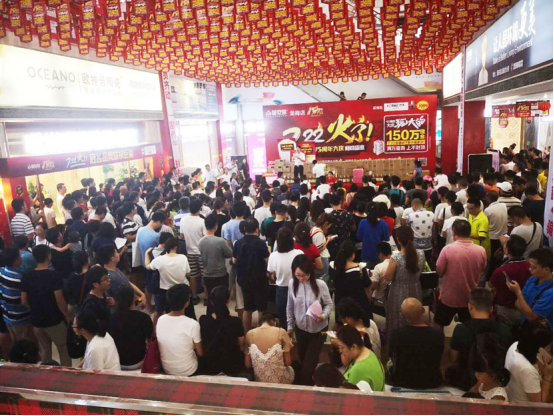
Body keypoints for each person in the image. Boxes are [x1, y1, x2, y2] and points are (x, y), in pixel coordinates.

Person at [447, 288, 512, 392]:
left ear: (469, 306)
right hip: (496, 382)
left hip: (467, 381)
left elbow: (453, 358)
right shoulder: (504, 329)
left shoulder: (461, 329)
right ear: (491, 309)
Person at [20, 245, 71, 367]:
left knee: (44, 349)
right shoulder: (54, 275)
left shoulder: (27, 275)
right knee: (63, 347)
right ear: (48, 257)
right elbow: (60, 301)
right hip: (54, 319)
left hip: (36, 320)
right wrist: (68, 317)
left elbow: (23, 301)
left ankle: (45, 372)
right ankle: (66, 373)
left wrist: (34, 309)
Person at [287, 255, 332, 386]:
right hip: (300, 328)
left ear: (310, 272)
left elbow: (329, 304)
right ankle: (313, 381)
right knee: (303, 358)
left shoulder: (320, 285)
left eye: (305, 275)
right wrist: (290, 326)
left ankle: (305, 387)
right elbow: (290, 306)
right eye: (298, 275)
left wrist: (323, 315)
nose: (302, 278)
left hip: (319, 330)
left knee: (309, 364)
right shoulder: (292, 284)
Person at [435, 220, 487, 328]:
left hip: (449, 297)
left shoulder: (447, 249)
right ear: (469, 233)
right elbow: (482, 268)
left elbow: (439, 270)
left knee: (439, 324)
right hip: (470, 297)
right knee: (469, 327)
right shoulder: (481, 250)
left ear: (454, 233)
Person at [388, 298, 444, 390]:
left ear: (402, 315)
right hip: (432, 381)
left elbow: (391, 356)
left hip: (402, 381)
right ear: (423, 310)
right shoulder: (438, 334)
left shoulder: (397, 334)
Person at [384, 226, 426, 343]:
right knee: (415, 317)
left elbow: (388, 277)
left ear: (398, 240)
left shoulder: (396, 257)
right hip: (415, 289)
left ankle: (397, 344)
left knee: (397, 318)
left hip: (398, 291)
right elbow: (420, 271)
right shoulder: (421, 254)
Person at [156, 284, 203, 377]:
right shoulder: (192, 324)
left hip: (167, 369)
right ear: (187, 303)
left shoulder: (160, 319)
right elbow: (200, 353)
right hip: (189, 370)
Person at [234, 218, 270, 332]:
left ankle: (247, 333)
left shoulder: (238, 243)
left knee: (247, 308)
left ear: (244, 229)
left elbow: (234, 261)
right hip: (259, 279)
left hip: (244, 279)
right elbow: (267, 262)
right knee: (261, 309)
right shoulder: (261, 243)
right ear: (257, 229)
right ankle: (261, 333)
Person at [200, 286, 245, 376]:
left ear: (211, 302)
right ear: (228, 301)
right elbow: (241, 344)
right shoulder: (236, 321)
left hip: (210, 366)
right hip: (232, 366)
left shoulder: (203, 320)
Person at [505, 323, 553, 403]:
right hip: (523, 406)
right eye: (548, 348)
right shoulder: (528, 370)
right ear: (539, 349)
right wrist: (548, 376)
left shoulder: (515, 345)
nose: (549, 352)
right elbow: (539, 404)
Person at [507, 248, 553, 331]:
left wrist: (518, 292)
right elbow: (517, 303)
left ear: (546, 269)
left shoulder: (550, 293)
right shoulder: (533, 279)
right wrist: (528, 311)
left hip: (541, 333)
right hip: (524, 324)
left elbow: (532, 317)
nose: (529, 269)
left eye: (533, 267)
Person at [109, 286, 153, 371]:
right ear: (134, 298)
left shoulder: (110, 318)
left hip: (116, 360)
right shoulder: (144, 318)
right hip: (138, 361)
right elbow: (150, 342)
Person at [489, 235, 532, 324]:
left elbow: (491, 284)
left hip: (505, 308)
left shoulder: (501, 270)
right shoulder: (531, 267)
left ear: (506, 250)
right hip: (525, 306)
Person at [145, 238, 191, 317]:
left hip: (166, 291)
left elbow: (147, 266)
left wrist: (146, 254)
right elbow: (188, 274)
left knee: (167, 312)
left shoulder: (159, 260)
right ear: (176, 247)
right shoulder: (183, 257)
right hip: (183, 289)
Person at [245, 313, 295, 384]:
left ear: (258, 324)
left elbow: (248, 364)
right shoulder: (281, 331)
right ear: (275, 323)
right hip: (282, 380)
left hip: (259, 380)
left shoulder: (250, 334)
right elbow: (288, 362)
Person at [330, 241, 372, 320]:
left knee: (342, 322)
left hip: (340, 301)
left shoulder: (332, 266)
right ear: (353, 255)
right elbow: (367, 284)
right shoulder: (360, 268)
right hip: (357, 302)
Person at [336, 325, 385, 392]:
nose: (340, 351)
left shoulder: (358, 369)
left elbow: (350, 395)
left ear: (353, 346)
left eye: (342, 348)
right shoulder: (367, 352)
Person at [0, 248, 33, 341]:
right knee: (25, 341)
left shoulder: (2, 272)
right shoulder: (19, 279)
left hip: (7, 314)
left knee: (15, 338)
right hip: (20, 316)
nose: (21, 257)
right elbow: (24, 301)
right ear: (16, 260)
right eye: (19, 256)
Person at [467, 334, 511, 401]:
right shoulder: (481, 383)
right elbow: (468, 396)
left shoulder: (498, 396)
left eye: (480, 373)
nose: (476, 375)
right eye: (476, 371)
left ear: (493, 374)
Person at [199, 214, 233, 297]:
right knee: (222, 298)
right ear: (216, 226)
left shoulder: (200, 241)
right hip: (220, 275)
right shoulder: (220, 241)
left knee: (211, 298)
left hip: (207, 275)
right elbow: (230, 254)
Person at [180, 199, 206, 299]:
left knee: (193, 276)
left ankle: (194, 296)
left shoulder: (183, 220)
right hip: (201, 252)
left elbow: (181, 236)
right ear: (199, 209)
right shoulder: (202, 221)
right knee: (204, 275)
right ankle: (206, 297)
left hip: (189, 251)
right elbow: (205, 237)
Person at [484, 191, 508, 263]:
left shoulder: (488, 210)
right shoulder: (503, 205)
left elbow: (485, 223)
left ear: (488, 198)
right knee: (501, 255)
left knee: (493, 257)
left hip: (493, 237)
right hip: (504, 234)